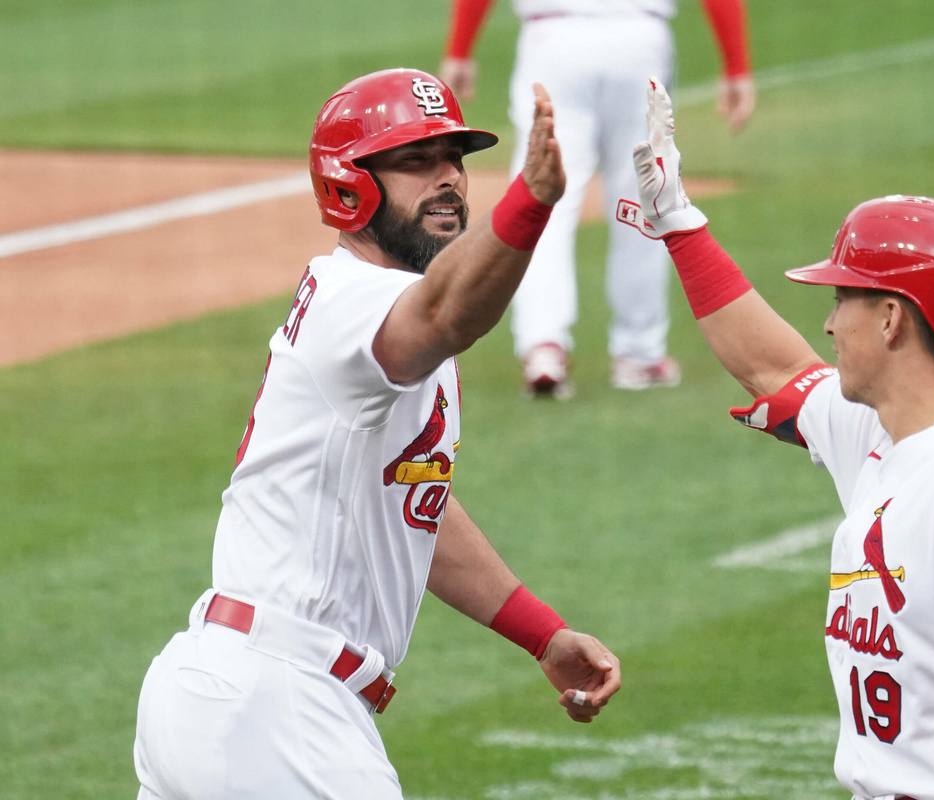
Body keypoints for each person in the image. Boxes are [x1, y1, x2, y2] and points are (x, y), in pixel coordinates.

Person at [132, 69, 621, 799]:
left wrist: (541, 634)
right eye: (416, 161)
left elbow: (408, 504)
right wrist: (534, 199)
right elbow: (449, 315)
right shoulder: (356, 303)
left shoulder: (375, 309)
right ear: (349, 183)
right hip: (280, 705)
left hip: (225, 691)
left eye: (454, 157)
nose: (449, 178)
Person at [617, 80, 934, 800]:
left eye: (843, 299)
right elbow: (773, 366)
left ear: (892, 318)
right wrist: (678, 222)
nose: (830, 324)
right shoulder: (882, 431)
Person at [440, 0, 756, 398]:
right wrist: (737, 65)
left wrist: (460, 48)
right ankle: (640, 353)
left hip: (552, 42)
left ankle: (544, 346)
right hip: (640, 39)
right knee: (646, 194)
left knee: (542, 196)